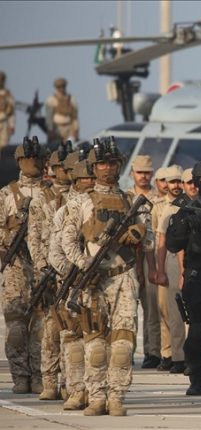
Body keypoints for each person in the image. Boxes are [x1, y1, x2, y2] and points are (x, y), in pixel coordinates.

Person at [60, 137, 151, 416]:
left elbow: (148, 241)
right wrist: (84, 264)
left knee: (123, 343)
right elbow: (67, 242)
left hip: (123, 277)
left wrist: (138, 233)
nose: (107, 168)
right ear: (93, 166)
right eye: (101, 164)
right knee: (96, 343)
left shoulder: (130, 201)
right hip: (94, 279)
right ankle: (97, 397)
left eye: (112, 163)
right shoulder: (81, 202)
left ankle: (117, 397)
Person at [167, 160, 201, 396]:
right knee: (197, 333)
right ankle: (197, 378)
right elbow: (172, 244)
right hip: (196, 276)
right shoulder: (187, 210)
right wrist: (184, 225)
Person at [27, 142, 74, 400]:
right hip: (47, 272)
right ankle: (49, 381)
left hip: (70, 271)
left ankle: (69, 381)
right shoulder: (40, 199)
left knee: (69, 328)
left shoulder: (78, 197)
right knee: (48, 330)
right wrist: (41, 267)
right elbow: (33, 238)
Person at [49, 156, 96, 410]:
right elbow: (55, 252)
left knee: (97, 338)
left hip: (98, 282)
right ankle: (76, 389)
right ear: (76, 180)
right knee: (72, 338)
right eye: (86, 178)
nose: (90, 182)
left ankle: (95, 390)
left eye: (93, 177)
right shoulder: (66, 210)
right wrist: (75, 272)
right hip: (72, 282)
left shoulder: (101, 206)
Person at [0, 137, 46, 394]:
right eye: (28, 158)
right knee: (17, 326)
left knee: (42, 327)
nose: (32, 162)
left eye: (36, 157)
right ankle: (20, 375)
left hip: (44, 267)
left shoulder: (52, 193)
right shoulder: (6, 195)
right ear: (19, 161)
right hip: (16, 266)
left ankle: (39, 375)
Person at [126, 155, 161, 371]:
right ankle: (126, 351)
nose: (143, 176)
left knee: (151, 307)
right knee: (128, 308)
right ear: (132, 174)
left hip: (152, 257)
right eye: (140, 172)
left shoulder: (158, 198)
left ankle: (152, 351)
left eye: (147, 172)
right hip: (129, 257)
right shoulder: (125, 198)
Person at [153, 166, 186, 374]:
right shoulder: (167, 209)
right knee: (170, 312)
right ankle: (174, 356)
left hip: (193, 262)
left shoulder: (195, 205)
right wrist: (159, 270)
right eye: (172, 182)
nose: (176, 186)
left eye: (180, 182)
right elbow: (161, 242)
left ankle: (187, 356)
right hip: (172, 261)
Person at [45, 78, 79, 143]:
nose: (61, 88)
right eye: (59, 87)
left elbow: (75, 117)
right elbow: (49, 118)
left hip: (69, 129)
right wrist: (50, 130)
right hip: (56, 130)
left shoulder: (71, 99)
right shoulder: (51, 100)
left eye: (63, 86)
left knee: (71, 145)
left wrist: (76, 130)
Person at [0, 71, 16, 150]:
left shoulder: (8, 94)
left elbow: (11, 112)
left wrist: (12, 125)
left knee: (3, 145)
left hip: (4, 122)